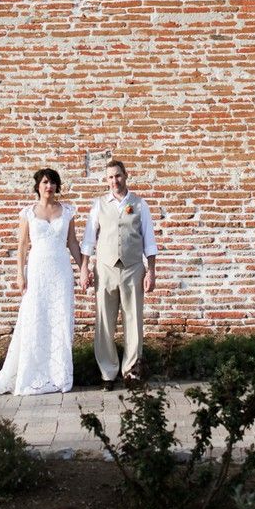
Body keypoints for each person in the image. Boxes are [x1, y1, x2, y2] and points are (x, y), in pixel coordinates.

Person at [0, 168, 82, 396]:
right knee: (35, 319)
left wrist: (84, 267)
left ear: (57, 186)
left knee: (60, 320)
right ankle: (31, 375)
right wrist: (20, 274)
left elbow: (73, 243)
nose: (49, 187)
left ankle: (59, 376)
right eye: (45, 182)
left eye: (53, 183)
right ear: (38, 186)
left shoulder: (67, 211)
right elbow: (22, 246)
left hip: (61, 272)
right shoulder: (28, 213)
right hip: (37, 271)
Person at [79, 160, 157, 388]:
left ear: (126, 176)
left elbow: (149, 242)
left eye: (118, 176)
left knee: (134, 321)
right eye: (110, 177)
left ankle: (132, 373)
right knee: (104, 321)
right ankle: (107, 373)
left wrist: (151, 272)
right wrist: (84, 268)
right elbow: (88, 240)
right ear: (107, 180)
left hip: (133, 268)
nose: (115, 181)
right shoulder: (99, 205)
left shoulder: (140, 205)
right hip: (105, 269)